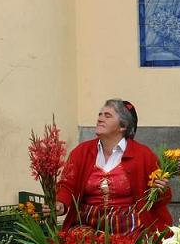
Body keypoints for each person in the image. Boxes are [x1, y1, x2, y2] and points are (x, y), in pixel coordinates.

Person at [55, 99, 172, 236]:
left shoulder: (144, 155)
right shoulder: (81, 152)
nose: (100, 119)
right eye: (100, 114)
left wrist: (161, 189)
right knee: (77, 243)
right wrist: (61, 203)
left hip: (130, 228)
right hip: (87, 226)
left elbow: (159, 200)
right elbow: (67, 185)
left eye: (107, 115)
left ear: (123, 126)